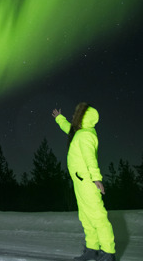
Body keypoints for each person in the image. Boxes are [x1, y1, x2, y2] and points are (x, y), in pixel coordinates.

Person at [52, 102, 116, 261]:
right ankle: (92, 249)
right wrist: (59, 118)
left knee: (97, 217)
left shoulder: (86, 135)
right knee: (85, 217)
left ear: (83, 118)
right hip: (79, 181)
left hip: (87, 182)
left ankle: (108, 252)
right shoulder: (79, 133)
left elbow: (90, 159)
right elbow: (68, 128)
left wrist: (96, 178)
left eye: (76, 115)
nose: (73, 116)